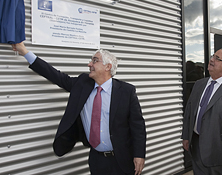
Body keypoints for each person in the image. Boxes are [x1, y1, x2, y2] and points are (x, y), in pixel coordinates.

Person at [11, 42, 146, 175]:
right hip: (96, 159)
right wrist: (24, 51)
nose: (89, 65)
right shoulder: (82, 84)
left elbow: (138, 126)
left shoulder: (126, 91)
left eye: (95, 61)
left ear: (107, 67)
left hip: (122, 159)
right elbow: (55, 75)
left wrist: (139, 154)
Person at [182, 48, 222, 174]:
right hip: (196, 146)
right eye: (213, 56)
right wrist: (186, 136)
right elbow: (189, 112)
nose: (212, 60)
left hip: (219, 151)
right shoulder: (199, 84)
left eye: (218, 59)